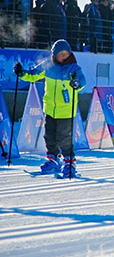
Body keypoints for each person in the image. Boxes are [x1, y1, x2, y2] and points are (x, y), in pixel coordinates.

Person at [15, 40, 86, 177]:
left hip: (65, 111)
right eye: (61, 54)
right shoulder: (48, 66)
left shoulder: (73, 68)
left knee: (64, 138)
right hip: (50, 110)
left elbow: (83, 81)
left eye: (66, 53)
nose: (64, 56)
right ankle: (53, 160)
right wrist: (21, 73)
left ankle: (69, 162)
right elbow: (33, 74)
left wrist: (77, 83)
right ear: (54, 54)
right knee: (49, 137)